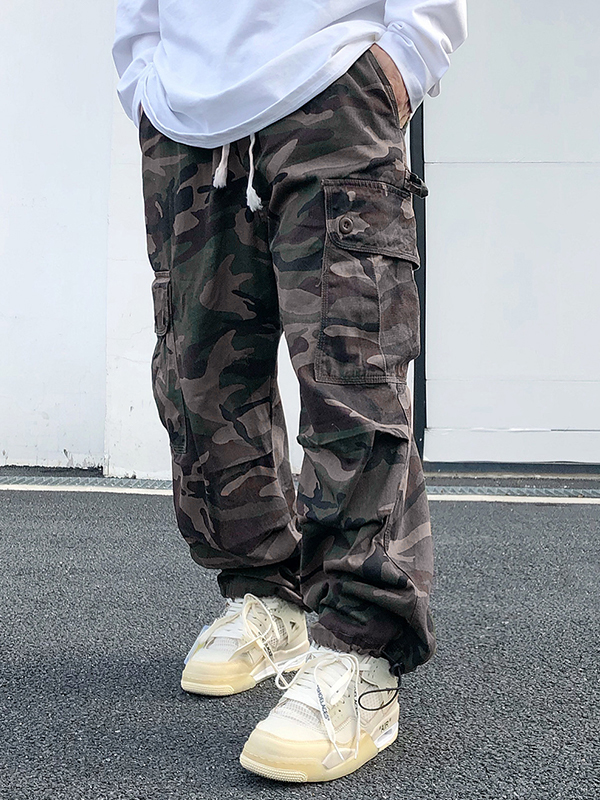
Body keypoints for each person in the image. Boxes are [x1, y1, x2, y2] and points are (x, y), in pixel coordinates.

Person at [113, 0, 467, 783]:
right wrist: (143, 79)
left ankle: (360, 657)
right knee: (199, 380)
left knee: (351, 376)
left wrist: (405, 57)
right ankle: (268, 598)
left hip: (330, 87)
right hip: (186, 120)